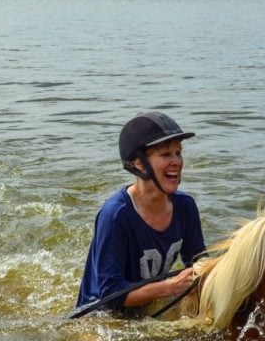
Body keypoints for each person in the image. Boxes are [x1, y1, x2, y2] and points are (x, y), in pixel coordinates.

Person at [75, 112, 206, 315]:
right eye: (165, 155)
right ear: (139, 163)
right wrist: (169, 287)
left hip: (148, 307)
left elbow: (199, 262)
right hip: (100, 317)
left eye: (178, 153)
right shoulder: (115, 215)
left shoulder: (186, 207)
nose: (177, 162)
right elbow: (110, 295)